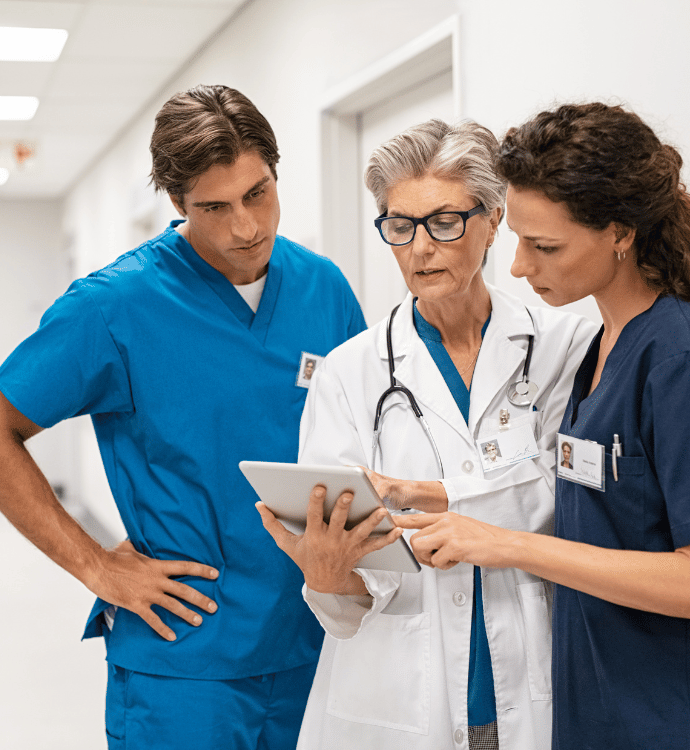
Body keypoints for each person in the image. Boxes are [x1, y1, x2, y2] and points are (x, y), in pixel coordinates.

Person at [0, 84, 367, 750]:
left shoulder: (324, 288)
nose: (246, 227)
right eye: (215, 207)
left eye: (258, 193)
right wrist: (94, 566)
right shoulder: (114, 308)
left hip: (317, 639)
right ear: (176, 203)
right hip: (185, 661)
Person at [394, 103, 690, 749]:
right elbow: (606, 509)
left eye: (544, 246)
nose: (518, 266)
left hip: (681, 727)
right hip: (602, 718)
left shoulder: (681, 355)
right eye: (518, 239)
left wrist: (504, 545)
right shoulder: (603, 345)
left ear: (619, 233)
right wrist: (449, 501)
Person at [257, 119, 597, 749]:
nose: (419, 248)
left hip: (536, 677)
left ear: (494, 219)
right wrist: (328, 575)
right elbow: (348, 590)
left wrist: (446, 500)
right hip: (402, 694)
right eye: (400, 225)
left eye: (444, 222)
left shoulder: (564, 349)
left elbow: (575, 509)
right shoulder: (349, 374)